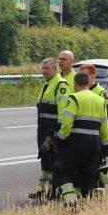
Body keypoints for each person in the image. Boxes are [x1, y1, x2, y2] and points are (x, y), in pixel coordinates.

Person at [55, 71, 107, 206]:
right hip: (94, 144)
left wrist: (60, 141)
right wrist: (106, 147)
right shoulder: (100, 100)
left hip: (76, 143)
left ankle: (71, 203)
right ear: (88, 83)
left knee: (63, 173)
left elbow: (66, 124)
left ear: (75, 83)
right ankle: (86, 204)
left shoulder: (73, 98)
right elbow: (105, 127)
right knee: (89, 176)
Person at [30, 57, 70, 200]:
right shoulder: (47, 84)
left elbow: (63, 111)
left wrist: (54, 134)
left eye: (47, 68)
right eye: (43, 68)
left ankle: (54, 192)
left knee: (54, 163)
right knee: (45, 162)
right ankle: (41, 191)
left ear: (55, 69)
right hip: (43, 131)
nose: (44, 71)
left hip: (51, 132)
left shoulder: (60, 84)